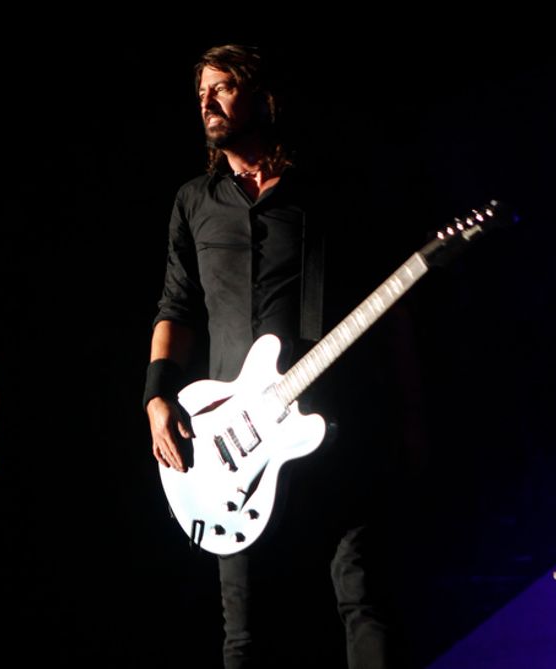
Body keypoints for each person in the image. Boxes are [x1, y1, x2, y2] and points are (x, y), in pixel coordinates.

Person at [143, 44, 404, 668]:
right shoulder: (194, 201)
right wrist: (155, 398)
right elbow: (176, 307)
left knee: (364, 602)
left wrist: (410, 416)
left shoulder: (326, 190)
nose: (207, 102)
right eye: (201, 92)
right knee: (245, 634)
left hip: (332, 420)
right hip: (231, 443)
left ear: (263, 98)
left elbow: (389, 306)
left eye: (223, 87)